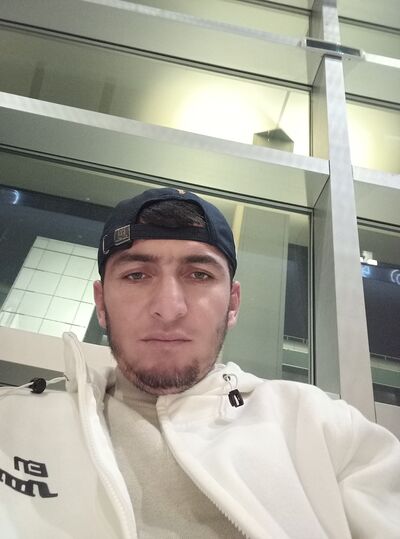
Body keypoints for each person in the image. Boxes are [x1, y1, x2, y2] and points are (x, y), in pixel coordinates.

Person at [0, 187, 399, 539]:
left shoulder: (325, 430)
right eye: (137, 275)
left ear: (233, 304)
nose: (169, 307)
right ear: (101, 304)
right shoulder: (11, 422)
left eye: (199, 275)